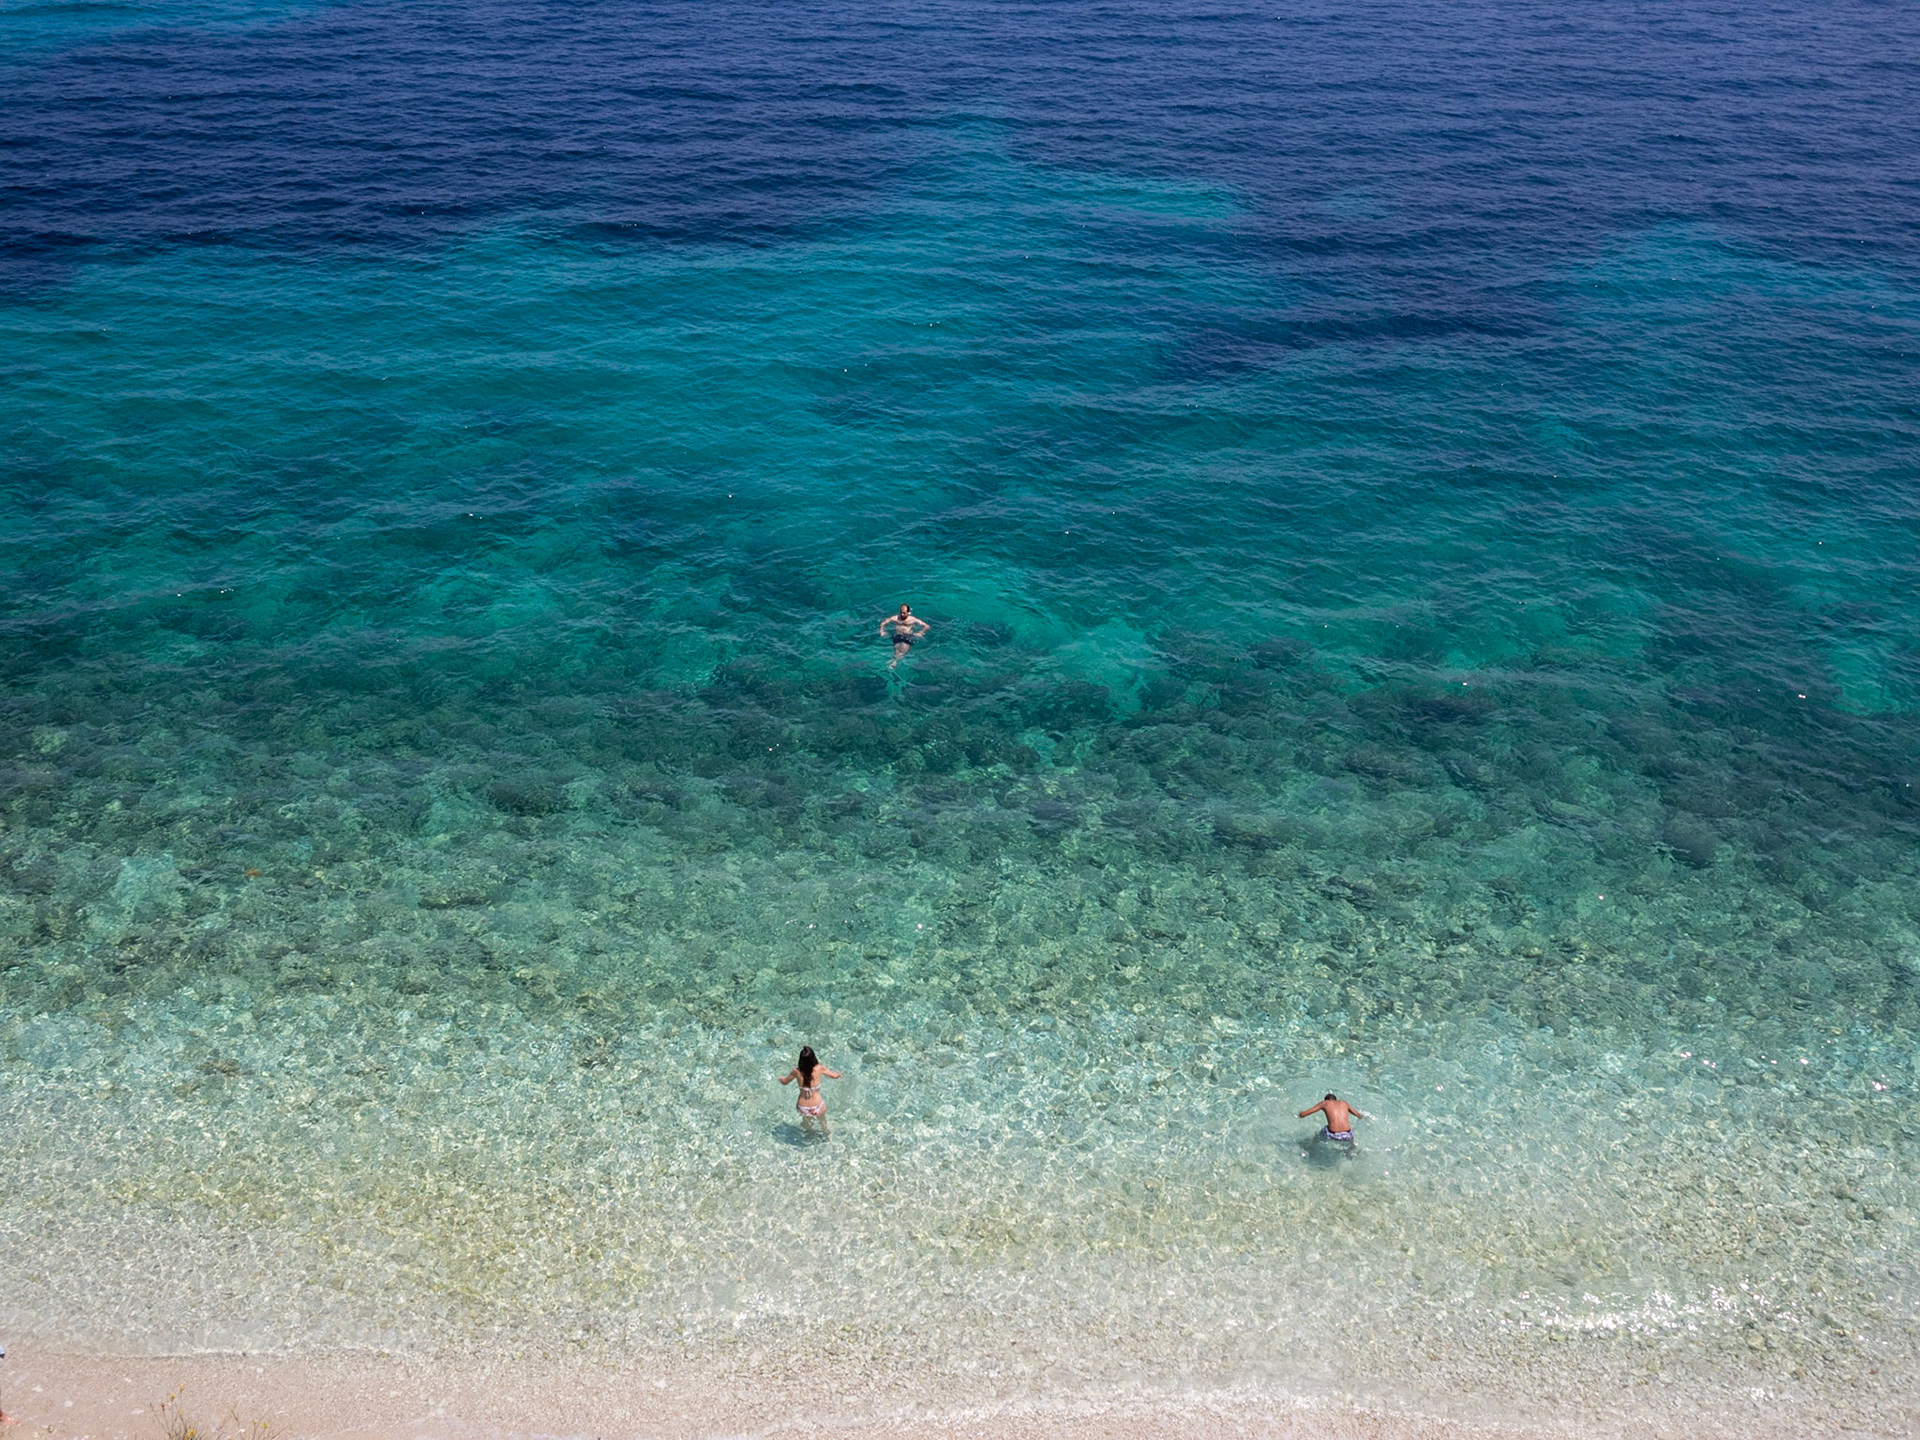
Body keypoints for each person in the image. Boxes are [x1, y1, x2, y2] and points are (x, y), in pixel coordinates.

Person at [779, 1045, 842, 1133]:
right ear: (813, 1058)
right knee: (823, 1124)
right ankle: (827, 1137)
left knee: (807, 1128)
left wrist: (780, 1078)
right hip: (818, 1105)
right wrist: (839, 1074)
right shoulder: (819, 1068)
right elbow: (834, 1076)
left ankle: (809, 1141)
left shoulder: (796, 1072)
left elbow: (785, 1082)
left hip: (803, 1106)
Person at [1298, 1092, 1370, 1144]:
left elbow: (1303, 1114)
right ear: (1336, 1100)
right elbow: (1359, 1115)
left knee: (1317, 1134)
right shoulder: (1344, 1103)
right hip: (1348, 1134)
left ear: (1326, 1100)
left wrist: (1299, 1113)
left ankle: (1312, 1148)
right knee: (1351, 1133)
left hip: (1333, 1135)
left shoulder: (1325, 1103)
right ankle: (1352, 1147)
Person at [879, 604, 929, 669]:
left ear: (908, 612)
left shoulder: (912, 619)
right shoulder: (895, 618)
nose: (902, 614)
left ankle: (895, 661)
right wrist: (882, 631)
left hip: (907, 636)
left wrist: (921, 632)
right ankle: (895, 660)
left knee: (904, 649)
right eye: (901, 612)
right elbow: (883, 623)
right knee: (896, 649)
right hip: (898, 635)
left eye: (904, 613)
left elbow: (926, 626)